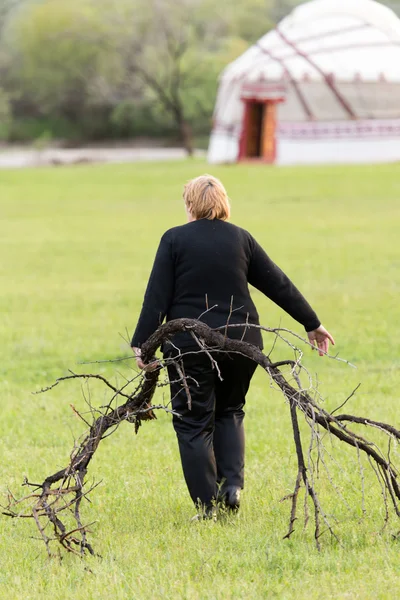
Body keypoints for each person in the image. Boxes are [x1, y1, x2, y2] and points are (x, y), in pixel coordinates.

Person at [131, 174, 334, 518]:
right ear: (224, 203)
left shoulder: (174, 239)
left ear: (190, 205)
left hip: (189, 344)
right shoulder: (242, 239)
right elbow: (278, 283)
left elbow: (157, 296)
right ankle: (232, 488)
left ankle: (208, 507)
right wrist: (312, 323)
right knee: (230, 410)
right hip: (242, 341)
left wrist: (142, 344)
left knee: (193, 421)